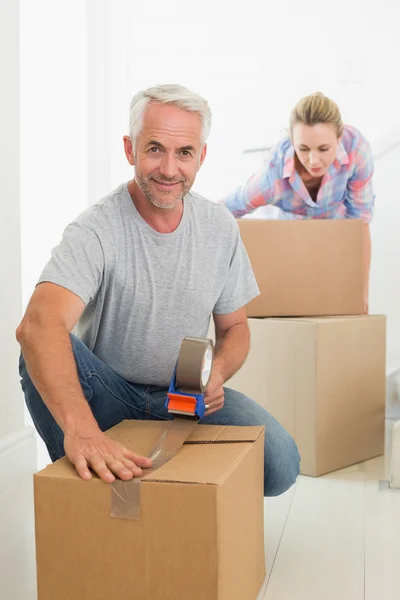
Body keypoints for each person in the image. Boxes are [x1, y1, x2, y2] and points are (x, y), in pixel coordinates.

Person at [17, 83, 300, 496]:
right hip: (108, 393)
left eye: (184, 152)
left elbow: (236, 328)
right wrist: (81, 430)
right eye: (154, 149)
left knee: (281, 465)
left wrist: (215, 373)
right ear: (130, 150)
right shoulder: (96, 228)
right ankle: (85, 473)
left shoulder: (219, 226)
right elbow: (37, 326)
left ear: (200, 157)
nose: (169, 169)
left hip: (186, 398)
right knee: (40, 345)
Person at [222, 92, 374, 312]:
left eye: (323, 149)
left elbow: (359, 226)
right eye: (303, 149)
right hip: (289, 244)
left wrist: (362, 296)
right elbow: (227, 209)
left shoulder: (356, 151)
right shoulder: (272, 179)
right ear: (292, 142)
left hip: (337, 239)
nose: (313, 161)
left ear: (339, 140)